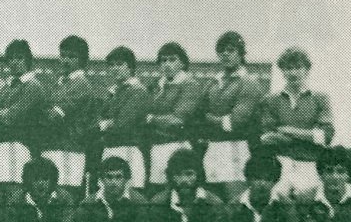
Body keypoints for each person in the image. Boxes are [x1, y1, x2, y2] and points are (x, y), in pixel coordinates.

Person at [259, 47, 334, 198]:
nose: (293, 73)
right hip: (280, 164)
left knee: (307, 206)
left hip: (310, 165)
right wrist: (309, 135)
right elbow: (266, 138)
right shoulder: (270, 100)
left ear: (307, 70)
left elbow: (325, 136)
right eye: (288, 68)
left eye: (298, 67)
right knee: (278, 205)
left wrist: (287, 130)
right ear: (282, 71)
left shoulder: (320, 98)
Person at [202, 31, 267, 201]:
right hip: (212, 148)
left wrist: (208, 118)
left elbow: (234, 123)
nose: (225, 54)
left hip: (236, 148)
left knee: (235, 202)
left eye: (230, 50)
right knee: (213, 201)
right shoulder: (213, 82)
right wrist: (209, 120)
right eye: (221, 51)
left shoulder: (249, 82)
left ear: (241, 53)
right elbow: (197, 114)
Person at [39, 35, 103, 197]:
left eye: (72, 57)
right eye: (63, 55)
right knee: (51, 197)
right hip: (52, 147)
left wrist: (39, 113)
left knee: (66, 197)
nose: (66, 60)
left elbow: (53, 117)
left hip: (70, 150)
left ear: (82, 60)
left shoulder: (81, 84)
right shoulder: (60, 83)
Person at [0, 40, 46, 194]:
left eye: (19, 58)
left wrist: (3, 113)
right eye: (11, 58)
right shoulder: (7, 86)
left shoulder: (33, 86)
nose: (14, 62)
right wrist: (0, 113)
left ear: (28, 61)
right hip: (1, 144)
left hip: (21, 145)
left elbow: (12, 116)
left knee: (15, 190)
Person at [145, 42, 204, 196]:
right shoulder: (157, 86)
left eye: (172, 60)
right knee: (159, 194)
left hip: (178, 146)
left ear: (182, 63)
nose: (167, 64)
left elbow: (178, 120)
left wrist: (151, 119)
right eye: (163, 60)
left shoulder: (190, 85)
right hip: (156, 147)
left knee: (180, 191)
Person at [98, 46, 149, 189]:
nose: (115, 68)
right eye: (112, 65)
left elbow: (122, 124)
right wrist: (107, 123)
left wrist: (105, 124)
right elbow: (99, 117)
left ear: (130, 67)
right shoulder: (113, 91)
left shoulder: (138, 91)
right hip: (109, 149)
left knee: (128, 192)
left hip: (128, 149)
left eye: (120, 64)